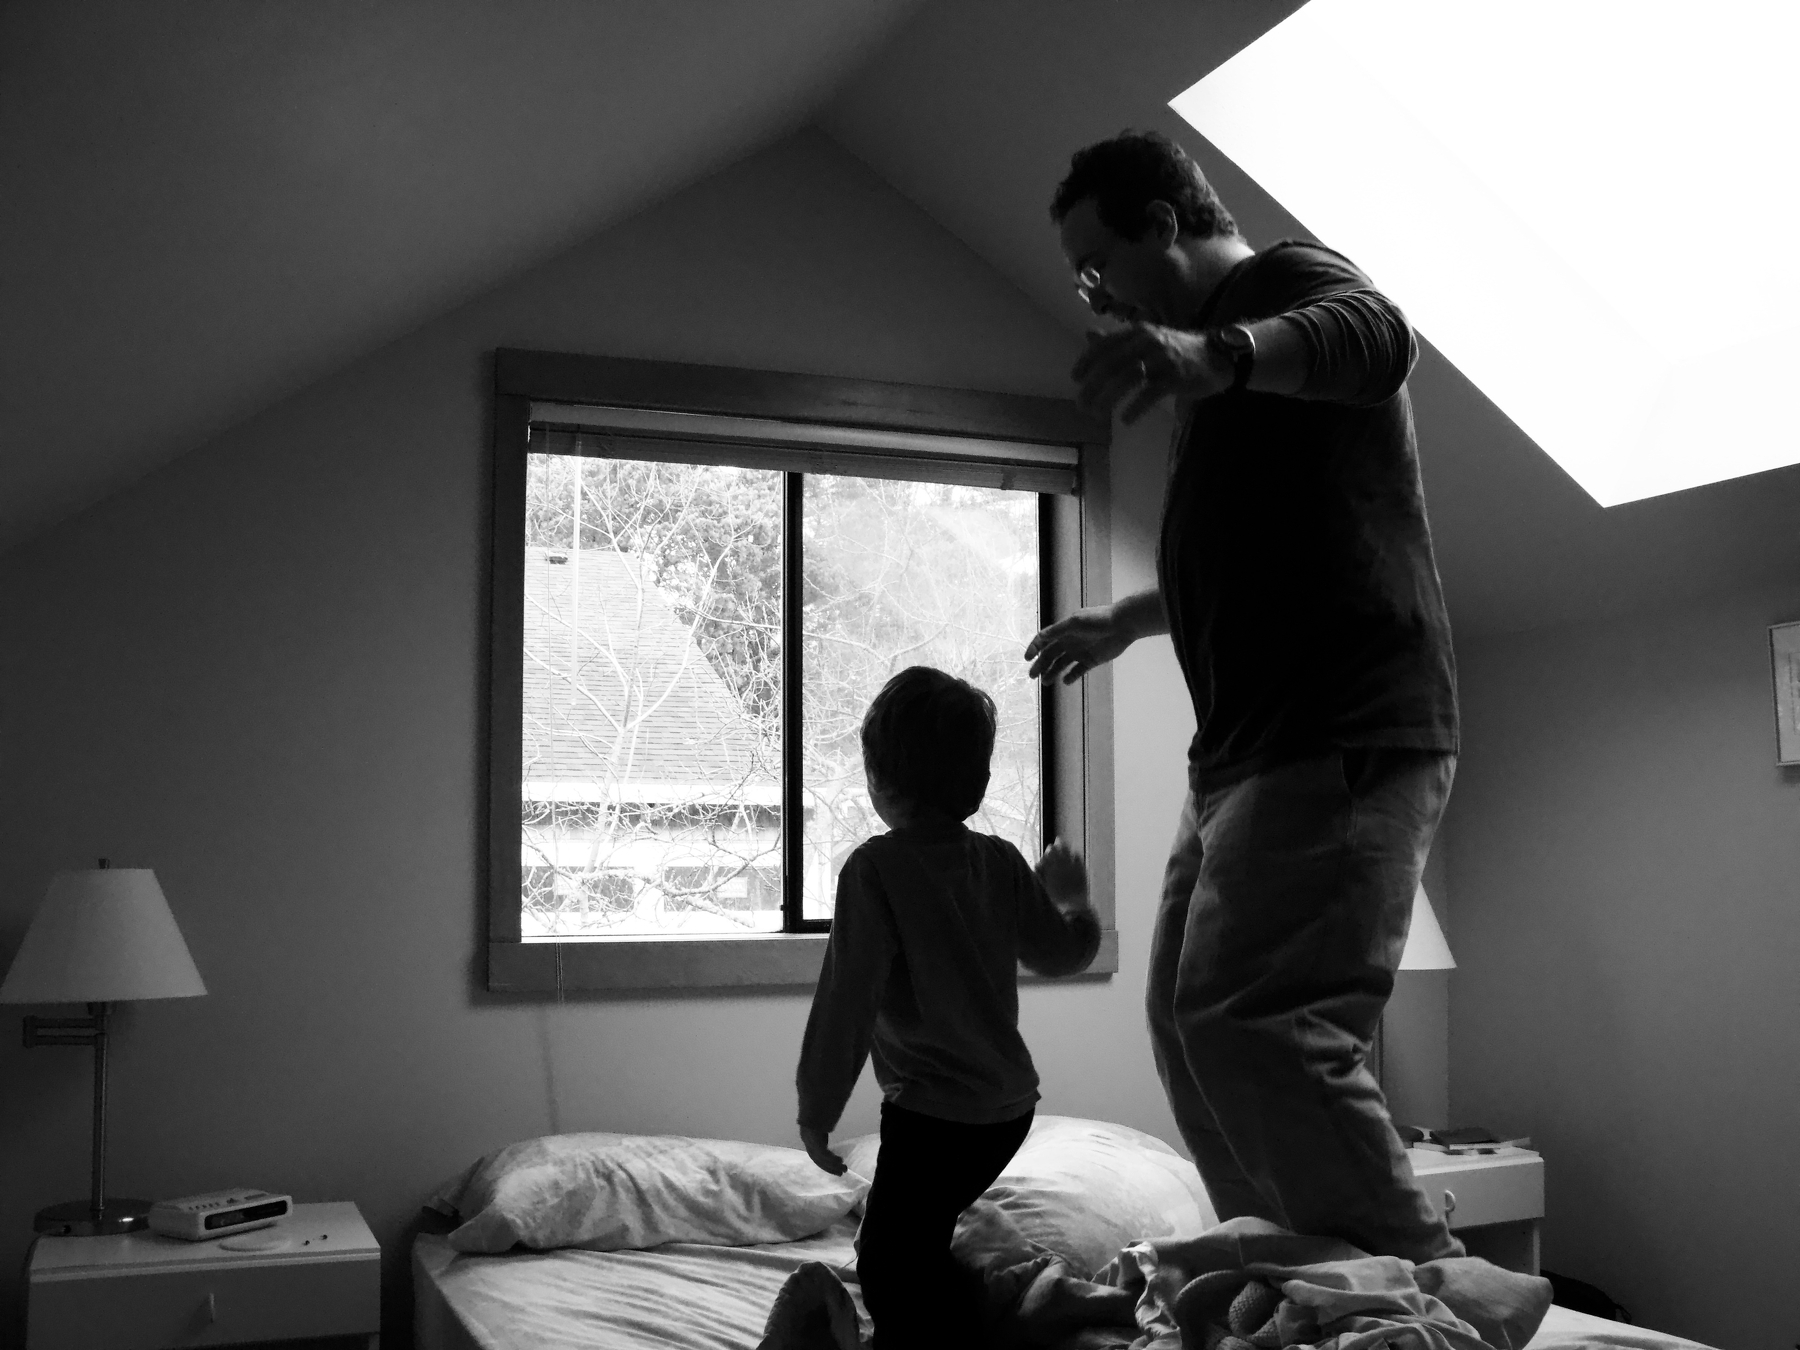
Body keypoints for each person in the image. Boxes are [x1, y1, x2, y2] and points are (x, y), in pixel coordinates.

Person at [1025, 130, 1461, 1264]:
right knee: (1186, 1019)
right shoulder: (1212, 377)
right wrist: (1129, 621)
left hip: (1339, 730)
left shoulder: (1285, 285)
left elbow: (1383, 341)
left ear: (1161, 225)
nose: (1094, 295)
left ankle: (1423, 1295)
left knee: (1256, 1018)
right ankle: (1296, 1274)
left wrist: (1217, 356)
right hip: (1242, 756)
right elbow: (1255, 549)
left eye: (1096, 266)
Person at [794, 665, 1101, 1349]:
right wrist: (1075, 902)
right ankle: (967, 1301)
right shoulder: (998, 861)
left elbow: (847, 1002)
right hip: (1008, 1112)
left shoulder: (874, 870)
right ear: (979, 782)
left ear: (878, 778)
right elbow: (1063, 954)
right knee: (918, 1239)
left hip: (932, 1115)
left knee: (887, 1265)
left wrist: (816, 1113)